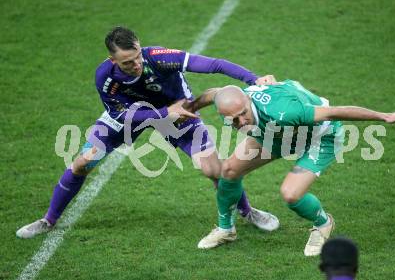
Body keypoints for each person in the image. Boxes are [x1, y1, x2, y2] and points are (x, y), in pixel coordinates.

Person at [16, 26, 280, 238]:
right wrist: (164, 114)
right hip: (135, 116)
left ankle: (248, 211)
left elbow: (214, 65)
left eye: (137, 56)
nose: (137, 64)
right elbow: (120, 114)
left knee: (213, 170)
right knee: (84, 162)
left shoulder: (159, 58)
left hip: (181, 113)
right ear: (113, 60)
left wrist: (253, 79)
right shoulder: (105, 78)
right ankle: (48, 220)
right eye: (128, 63)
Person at [192, 80, 395, 255]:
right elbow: (212, 93)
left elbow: (333, 112)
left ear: (248, 102)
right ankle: (226, 229)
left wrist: (384, 116)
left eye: (243, 114)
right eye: (233, 120)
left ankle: (323, 224)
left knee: (291, 194)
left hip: (321, 137)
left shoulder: (285, 112)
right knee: (229, 171)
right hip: (277, 135)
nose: (241, 122)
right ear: (221, 114)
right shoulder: (229, 99)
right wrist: (189, 109)